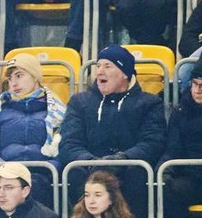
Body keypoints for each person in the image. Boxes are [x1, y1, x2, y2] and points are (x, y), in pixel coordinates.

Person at [58, 47, 167, 180]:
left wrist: (122, 159)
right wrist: (90, 162)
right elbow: (69, 142)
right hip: (89, 169)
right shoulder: (79, 102)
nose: (100, 72)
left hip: (129, 167)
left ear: (125, 74)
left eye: (107, 66)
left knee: (137, 172)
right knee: (76, 172)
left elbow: (152, 143)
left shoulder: (150, 103)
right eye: (98, 66)